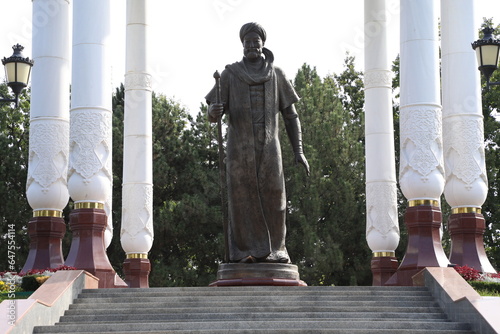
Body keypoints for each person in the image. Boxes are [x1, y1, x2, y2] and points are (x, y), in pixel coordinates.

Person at [206, 22, 309, 264]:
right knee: (241, 199)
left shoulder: (277, 74)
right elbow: (212, 114)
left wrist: (299, 150)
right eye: (247, 42)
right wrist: (215, 110)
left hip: (270, 148)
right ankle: (243, 252)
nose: (252, 45)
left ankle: (276, 250)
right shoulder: (230, 74)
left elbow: (291, 115)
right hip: (239, 151)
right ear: (242, 45)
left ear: (263, 44)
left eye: (256, 41)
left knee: (275, 197)